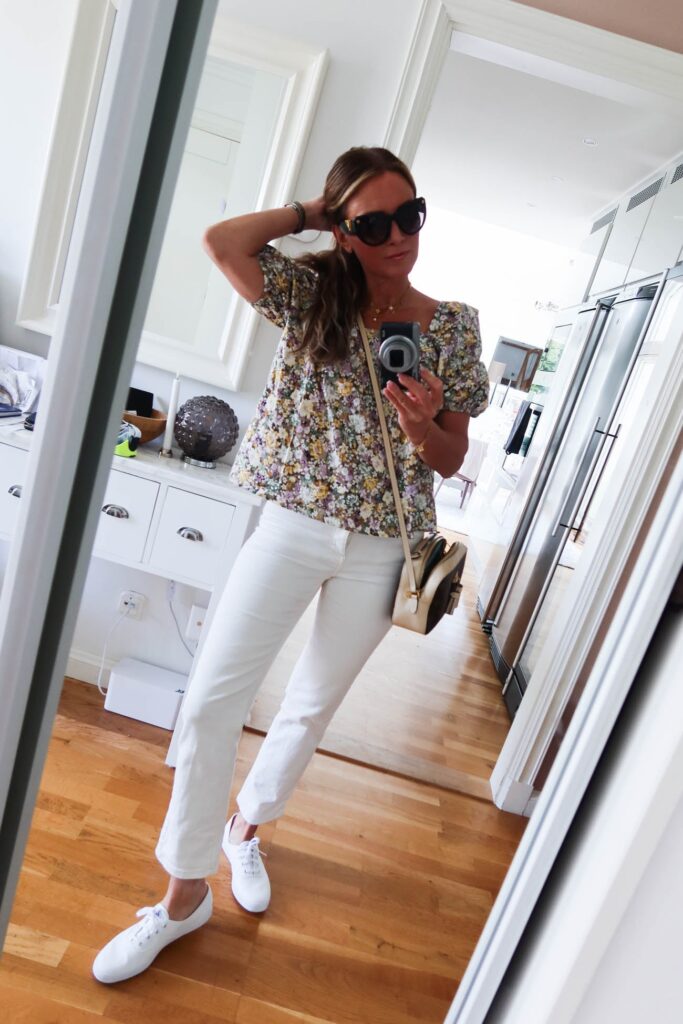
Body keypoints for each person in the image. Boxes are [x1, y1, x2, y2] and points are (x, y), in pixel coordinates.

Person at [92, 146, 489, 984]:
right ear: (343, 230)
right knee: (211, 700)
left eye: (409, 215)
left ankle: (247, 828)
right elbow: (222, 242)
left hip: (382, 546)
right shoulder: (309, 295)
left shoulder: (452, 326)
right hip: (290, 526)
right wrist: (310, 213)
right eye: (373, 224)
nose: (398, 236)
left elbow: (452, 457)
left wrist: (423, 426)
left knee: (308, 709)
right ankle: (182, 896)